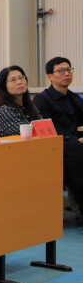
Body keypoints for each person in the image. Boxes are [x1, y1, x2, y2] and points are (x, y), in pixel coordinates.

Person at [33, 57, 83, 214]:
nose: (66, 74)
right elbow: (48, 130)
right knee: (76, 150)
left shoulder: (74, 98)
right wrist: (76, 139)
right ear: (50, 76)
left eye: (68, 70)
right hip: (57, 144)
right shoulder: (41, 100)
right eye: (61, 71)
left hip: (75, 142)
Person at [0, 66, 41, 137]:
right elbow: (24, 134)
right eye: (13, 80)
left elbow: (43, 127)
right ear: (4, 86)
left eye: (21, 78)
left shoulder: (30, 105)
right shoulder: (5, 110)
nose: (19, 82)